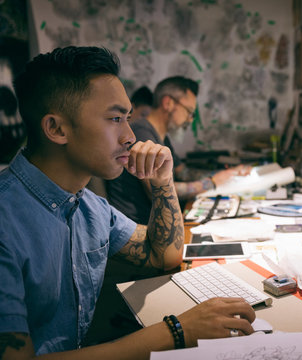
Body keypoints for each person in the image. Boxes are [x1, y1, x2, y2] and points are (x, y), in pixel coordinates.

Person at [0, 46, 255, 359]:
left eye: (128, 118)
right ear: (56, 128)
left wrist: (162, 182)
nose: (130, 136)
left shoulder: (88, 206)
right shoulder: (5, 221)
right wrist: (175, 331)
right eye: (115, 118)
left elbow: (164, 256)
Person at [106, 76, 249, 224]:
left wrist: (225, 174)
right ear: (168, 103)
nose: (190, 119)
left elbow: (184, 173)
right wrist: (211, 182)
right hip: (140, 227)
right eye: (189, 111)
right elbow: (158, 190)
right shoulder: (142, 134)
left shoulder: (161, 136)